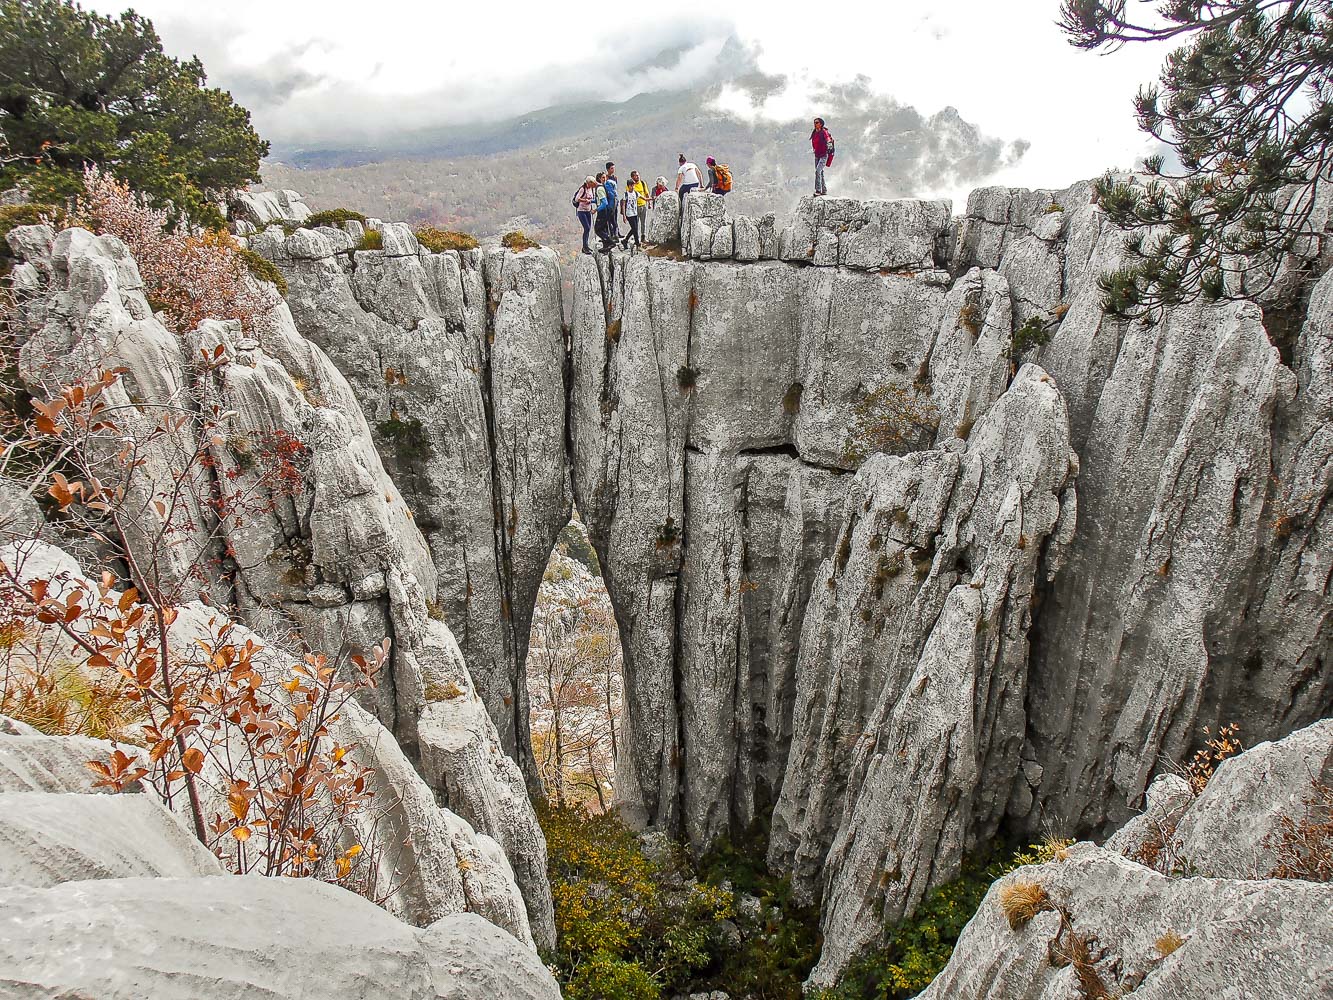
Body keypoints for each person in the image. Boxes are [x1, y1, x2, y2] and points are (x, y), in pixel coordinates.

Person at [621, 171, 648, 250]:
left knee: (634, 228)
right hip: (629, 214)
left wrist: (652, 199)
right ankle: (638, 244)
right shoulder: (626, 194)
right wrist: (624, 216)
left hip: (635, 212)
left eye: (633, 185)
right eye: (631, 186)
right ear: (628, 186)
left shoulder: (636, 192)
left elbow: (644, 198)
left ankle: (625, 240)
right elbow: (623, 205)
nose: (632, 187)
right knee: (635, 229)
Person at [573, 176, 597, 254]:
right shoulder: (582, 189)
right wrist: (585, 200)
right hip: (581, 211)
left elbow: (592, 199)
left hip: (588, 210)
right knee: (586, 228)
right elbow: (577, 199)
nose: (594, 184)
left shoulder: (591, 189)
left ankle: (586, 246)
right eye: (592, 183)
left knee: (588, 228)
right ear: (589, 182)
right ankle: (584, 247)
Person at [811, 117, 835, 197]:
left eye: (817, 122)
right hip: (817, 155)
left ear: (821, 124)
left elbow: (828, 139)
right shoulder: (814, 133)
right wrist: (814, 150)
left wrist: (829, 145)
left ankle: (818, 190)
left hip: (824, 155)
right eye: (814, 122)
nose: (815, 124)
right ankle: (824, 190)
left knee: (818, 171)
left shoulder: (824, 132)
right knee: (820, 172)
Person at [593, 171, 614, 252]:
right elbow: (599, 200)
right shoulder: (603, 187)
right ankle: (606, 246)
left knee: (598, 229)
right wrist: (590, 201)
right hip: (606, 210)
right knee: (604, 228)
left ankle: (610, 242)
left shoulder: (599, 189)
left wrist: (596, 210)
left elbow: (604, 203)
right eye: (603, 177)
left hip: (602, 211)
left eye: (605, 177)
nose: (605, 179)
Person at [603, 161, 621, 241]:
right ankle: (611, 234)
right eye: (611, 168)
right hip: (609, 201)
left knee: (615, 216)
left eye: (613, 168)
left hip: (615, 200)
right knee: (610, 218)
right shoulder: (606, 178)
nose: (613, 170)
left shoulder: (615, 178)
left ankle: (617, 232)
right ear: (608, 169)